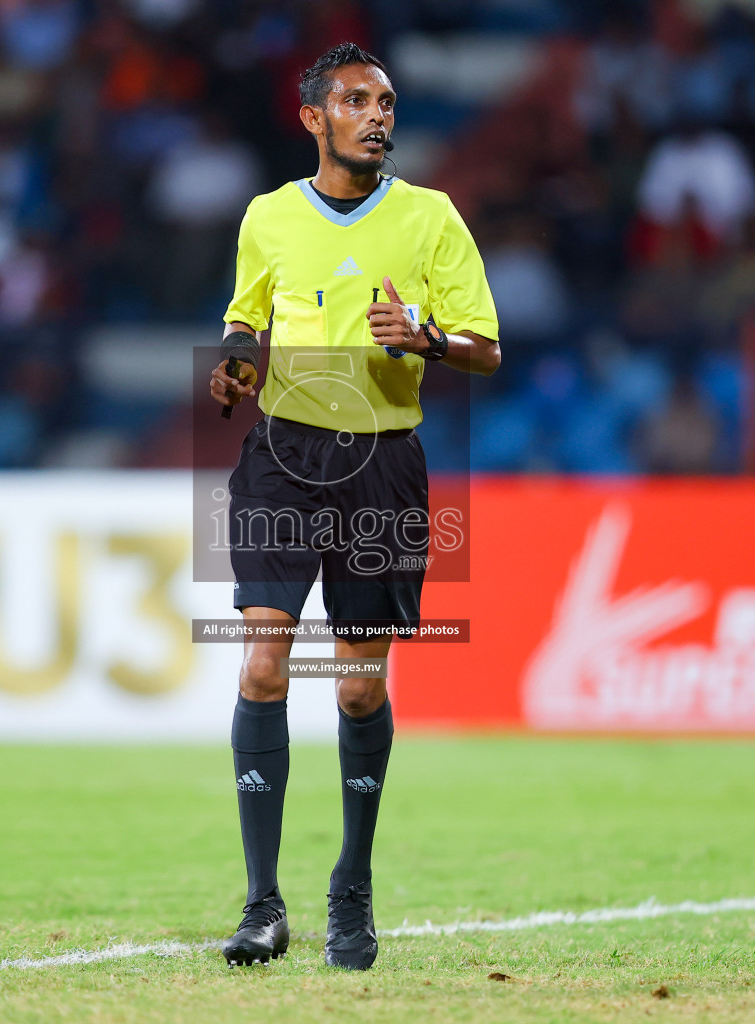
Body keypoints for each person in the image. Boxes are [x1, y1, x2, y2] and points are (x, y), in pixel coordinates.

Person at [206, 41, 500, 970]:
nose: (379, 115)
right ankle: (261, 904)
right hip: (281, 458)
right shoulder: (268, 217)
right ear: (313, 118)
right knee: (261, 662)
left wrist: (424, 339)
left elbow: (486, 345)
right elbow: (246, 316)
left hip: (381, 465)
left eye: (387, 102)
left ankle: (353, 890)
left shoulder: (430, 216)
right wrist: (236, 364)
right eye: (359, 100)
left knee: (362, 683)